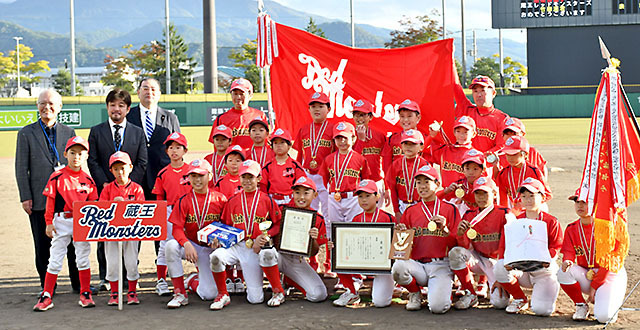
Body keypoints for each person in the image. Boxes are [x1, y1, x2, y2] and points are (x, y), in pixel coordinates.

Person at [15, 89, 80, 294]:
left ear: (60, 107)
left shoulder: (69, 133)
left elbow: (77, 165)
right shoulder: (26, 133)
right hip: (39, 198)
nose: (47, 107)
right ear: (37, 106)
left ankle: (78, 285)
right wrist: (25, 197)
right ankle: (47, 286)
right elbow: (20, 167)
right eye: (42, 103)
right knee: (42, 244)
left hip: (67, 199)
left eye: (51, 104)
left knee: (72, 244)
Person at [88, 88, 147, 291]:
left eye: (121, 105)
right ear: (107, 107)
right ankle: (106, 278)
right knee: (106, 236)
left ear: (128, 109)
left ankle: (131, 280)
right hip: (106, 191)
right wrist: (105, 183)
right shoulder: (96, 131)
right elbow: (93, 161)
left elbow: (142, 162)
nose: (116, 109)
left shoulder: (138, 132)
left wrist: (128, 184)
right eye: (112, 105)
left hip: (130, 193)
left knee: (131, 238)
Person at [33, 136, 99, 311]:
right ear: (65, 154)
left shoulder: (89, 180)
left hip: (81, 222)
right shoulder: (57, 176)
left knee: (83, 257)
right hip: (61, 221)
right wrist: (48, 222)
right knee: (55, 258)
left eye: (80, 153)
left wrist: (91, 225)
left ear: (86, 156)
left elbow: (93, 205)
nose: (76, 156)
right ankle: (46, 294)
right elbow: (50, 202)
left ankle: (85, 292)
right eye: (72, 153)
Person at [209, 160, 285, 310]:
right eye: (244, 177)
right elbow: (225, 226)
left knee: (255, 299)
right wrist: (218, 240)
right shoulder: (233, 201)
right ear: (239, 178)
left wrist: (265, 236)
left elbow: (278, 224)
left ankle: (278, 292)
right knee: (215, 256)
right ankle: (223, 294)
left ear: (259, 178)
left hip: (256, 248)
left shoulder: (267, 200)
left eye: (251, 177)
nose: (247, 181)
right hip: (237, 245)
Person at [392, 165, 458, 313]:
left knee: (437, 308)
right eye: (418, 182)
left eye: (427, 182)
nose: (422, 186)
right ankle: (415, 293)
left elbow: (458, 245)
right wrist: (401, 237)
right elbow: (401, 251)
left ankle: (444, 291)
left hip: (441, 264)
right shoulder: (410, 211)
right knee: (398, 267)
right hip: (418, 266)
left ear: (437, 184)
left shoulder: (449, 209)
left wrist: (445, 230)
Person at [493, 178, 563, 316]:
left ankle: (548, 289)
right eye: (524, 196)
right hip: (522, 270)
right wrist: (503, 269)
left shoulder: (551, 221)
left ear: (542, 197)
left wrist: (547, 258)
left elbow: (556, 245)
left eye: (532, 196)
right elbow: (504, 246)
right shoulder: (516, 221)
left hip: (543, 270)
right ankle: (520, 298)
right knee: (499, 266)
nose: (528, 200)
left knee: (542, 311)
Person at [557, 189, 628, 323]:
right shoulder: (572, 228)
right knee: (563, 271)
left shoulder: (607, 227)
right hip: (587, 272)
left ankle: (610, 299)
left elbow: (608, 263)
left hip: (609, 274)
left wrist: (595, 286)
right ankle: (581, 305)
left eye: (585, 202)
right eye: (577, 202)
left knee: (604, 317)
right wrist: (568, 261)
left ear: (596, 204)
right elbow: (569, 252)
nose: (580, 206)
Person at [165, 159, 227, 309]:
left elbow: (227, 227)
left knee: (209, 295)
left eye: (201, 175)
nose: (197, 180)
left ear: (210, 176)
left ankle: (193, 280)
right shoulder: (184, 201)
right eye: (193, 176)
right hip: (191, 243)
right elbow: (177, 229)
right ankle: (180, 293)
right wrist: (186, 244)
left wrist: (219, 240)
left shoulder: (220, 199)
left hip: (210, 248)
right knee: (171, 245)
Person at [448, 177, 512, 310]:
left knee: (500, 303)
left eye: (485, 193)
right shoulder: (469, 214)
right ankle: (470, 293)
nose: (481, 198)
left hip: (499, 261)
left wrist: (502, 274)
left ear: (494, 194)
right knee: (455, 253)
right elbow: (465, 246)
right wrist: (460, 235)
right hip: (478, 258)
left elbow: (510, 246)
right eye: (478, 193)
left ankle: (507, 288)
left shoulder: (505, 213)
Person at [333, 180, 395, 308]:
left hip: (383, 268)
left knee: (380, 302)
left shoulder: (388, 218)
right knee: (337, 251)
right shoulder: (357, 219)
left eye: (368, 196)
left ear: (377, 196)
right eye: (360, 196)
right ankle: (351, 291)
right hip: (363, 262)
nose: (364, 200)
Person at [292, 92, 335, 274]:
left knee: (328, 219)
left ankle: (329, 263)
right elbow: (300, 158)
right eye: (313, 106)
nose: (317, 109)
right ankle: (311, 261)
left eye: (321, 106)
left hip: (327, 179)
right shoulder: (304, 130)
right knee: (308, 218)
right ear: (309, 109)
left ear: (328, 109)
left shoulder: (333, 129)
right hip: (309, 177)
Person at [99, 151, 145, 305]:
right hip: (111, 233)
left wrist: (126, 203)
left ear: (131, 167)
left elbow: (143, 210)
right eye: (116, 169)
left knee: (131, 262)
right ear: (111, 170)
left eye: (123, 168)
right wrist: (113, 205)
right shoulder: (107, 189)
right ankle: (114, 293)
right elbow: (100, 210)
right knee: (112, 263)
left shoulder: (137, 189)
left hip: (131, 232)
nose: (120, 172)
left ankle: (132, 292)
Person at [151, 132, 193, 296]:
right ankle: (161, 280)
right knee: (164, 246)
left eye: (178, 147)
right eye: (171, 148)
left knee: (193, 243)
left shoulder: (192, 170)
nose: (174, 151)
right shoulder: (163, 173)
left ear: (185, 150)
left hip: (190, 211)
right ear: (167, 152)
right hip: (170, 211)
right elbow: (160, 197)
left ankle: (201, 275)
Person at [126, 78, 181, 200]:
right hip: (136, 177)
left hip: (163, 175)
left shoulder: (170, 118)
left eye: (153, 89)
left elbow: (178, 146)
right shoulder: (128, 117)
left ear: (159, 94)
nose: (149, 92)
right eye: (145, 88)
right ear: (138, 92)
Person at [277, 176, 328, 302]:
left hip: (296, 260)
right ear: (292, 193)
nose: (301, 197)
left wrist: (313, 240)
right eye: (297, 192)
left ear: (315, 195)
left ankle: (291, 280)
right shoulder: (282, 210)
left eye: (306, 193)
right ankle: (277, 290)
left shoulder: (318, 219)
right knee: (266, 254)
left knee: (318, 294)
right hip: (277, 255)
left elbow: (313, 252)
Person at [319, 122, 372, 238]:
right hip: (334, 198)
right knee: (335, 230)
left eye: (345, 138)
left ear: (353, 139)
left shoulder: (360, 159)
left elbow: (365, 179)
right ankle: (334, 256)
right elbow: (325, 178)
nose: (342, 141)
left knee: (354, 230)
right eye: (338, 138)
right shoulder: (329, 159)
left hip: (352, 198)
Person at [494, 135, 550, 215]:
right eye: (508, 154)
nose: (510, 158)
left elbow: (547, 194)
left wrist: (527, 204)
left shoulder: (534, 171)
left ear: (525, 154)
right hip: (514, 209)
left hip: (533, 207)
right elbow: (503, 201)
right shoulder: (504, 173)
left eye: (514, 154)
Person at [454, 75, 509, 154]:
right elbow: (456, 87)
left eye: (483, 91)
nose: (479, 95)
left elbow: (501, 147)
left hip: (489, 164)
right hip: (466, 164)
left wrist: (479, 158)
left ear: (493, 93)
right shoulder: (467, 110)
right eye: (475, 91)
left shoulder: (502, 119)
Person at [351, 99, 391, 207]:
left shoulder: (379, 136)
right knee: (357, 220)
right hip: (355, 184)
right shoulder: (348, 135)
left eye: (363, 115)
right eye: (356, 115)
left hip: (376, 182)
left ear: (370, 117)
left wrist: (386, 188)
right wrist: (360, 140)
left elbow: (386, 164)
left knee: (377, 219)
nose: (359, 118)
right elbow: (351, 162)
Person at [208, 78, 267, 149]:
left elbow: (265, 143)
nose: (238, 97)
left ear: (250, 95)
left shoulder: (260, 116)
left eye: (242, 94)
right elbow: (217, 147)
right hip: (232, 158)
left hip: (253, 158)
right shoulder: (221, 119)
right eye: (235, 94)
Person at [385, 129, 430, 220]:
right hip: (401, 205)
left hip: (420, 204)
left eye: (413, 144)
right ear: (401, 145)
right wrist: (396, 211)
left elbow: (429, 189)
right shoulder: (396, 164)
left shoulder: (424, 165)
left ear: (421, 147)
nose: (408, 147)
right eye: (406, 144)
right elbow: (393, 189)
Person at [427, 115, 476, 189]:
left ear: (474, 134)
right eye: (458, 131)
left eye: (465, 132)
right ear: (454, 132)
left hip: (466, 196)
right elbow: (422, 149)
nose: (461, 135)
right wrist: (432, 136)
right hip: (446, 197)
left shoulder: (476, 156)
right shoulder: (445, 150)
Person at [260, 128, 306, 205]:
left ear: (289, 146)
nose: (279, 146)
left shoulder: (295, 166)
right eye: (275, 143)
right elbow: (263, 187)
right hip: (272, 200)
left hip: (291, 201)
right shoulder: (267, 166)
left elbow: (302, 186)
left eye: (282, 142)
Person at [383, 99, 422, 172]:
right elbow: (386, 166)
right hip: (398, 181)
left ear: (418, 117)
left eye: (409, 116)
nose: (406, 120)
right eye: (402, 116)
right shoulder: (392, 139)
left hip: (418, 181)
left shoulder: (424, 139)